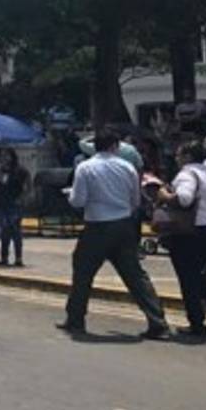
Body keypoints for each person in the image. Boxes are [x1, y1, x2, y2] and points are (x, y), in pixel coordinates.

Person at [58, 129, 169, 339]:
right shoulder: (127, 167)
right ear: (115, 146)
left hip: (97, 225)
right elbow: (135, 201)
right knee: (135, 275)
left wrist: (70, 195)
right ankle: (158, 322)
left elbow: (78, 201)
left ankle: (75, 319)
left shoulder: (85, 167)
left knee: (83, 274)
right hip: (123, 224)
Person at [152, 141, 206, 335]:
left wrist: (164, 195)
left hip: (190, 233)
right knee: (197, 276)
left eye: (179, 155)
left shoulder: (187, 174)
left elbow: (184, 199)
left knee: (188, 279)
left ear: (188, 157)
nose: (176, 159)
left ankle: (197, 323)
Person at [0, 148, 29, 267]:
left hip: (15, 204)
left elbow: (28, 185)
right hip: (1, 203)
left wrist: (23, 198)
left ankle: (18, 258)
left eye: (7, 156)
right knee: (4, 232)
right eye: (2, 156)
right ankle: (4, 257)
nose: (5, 159)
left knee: (15, 231)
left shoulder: (20, 171)